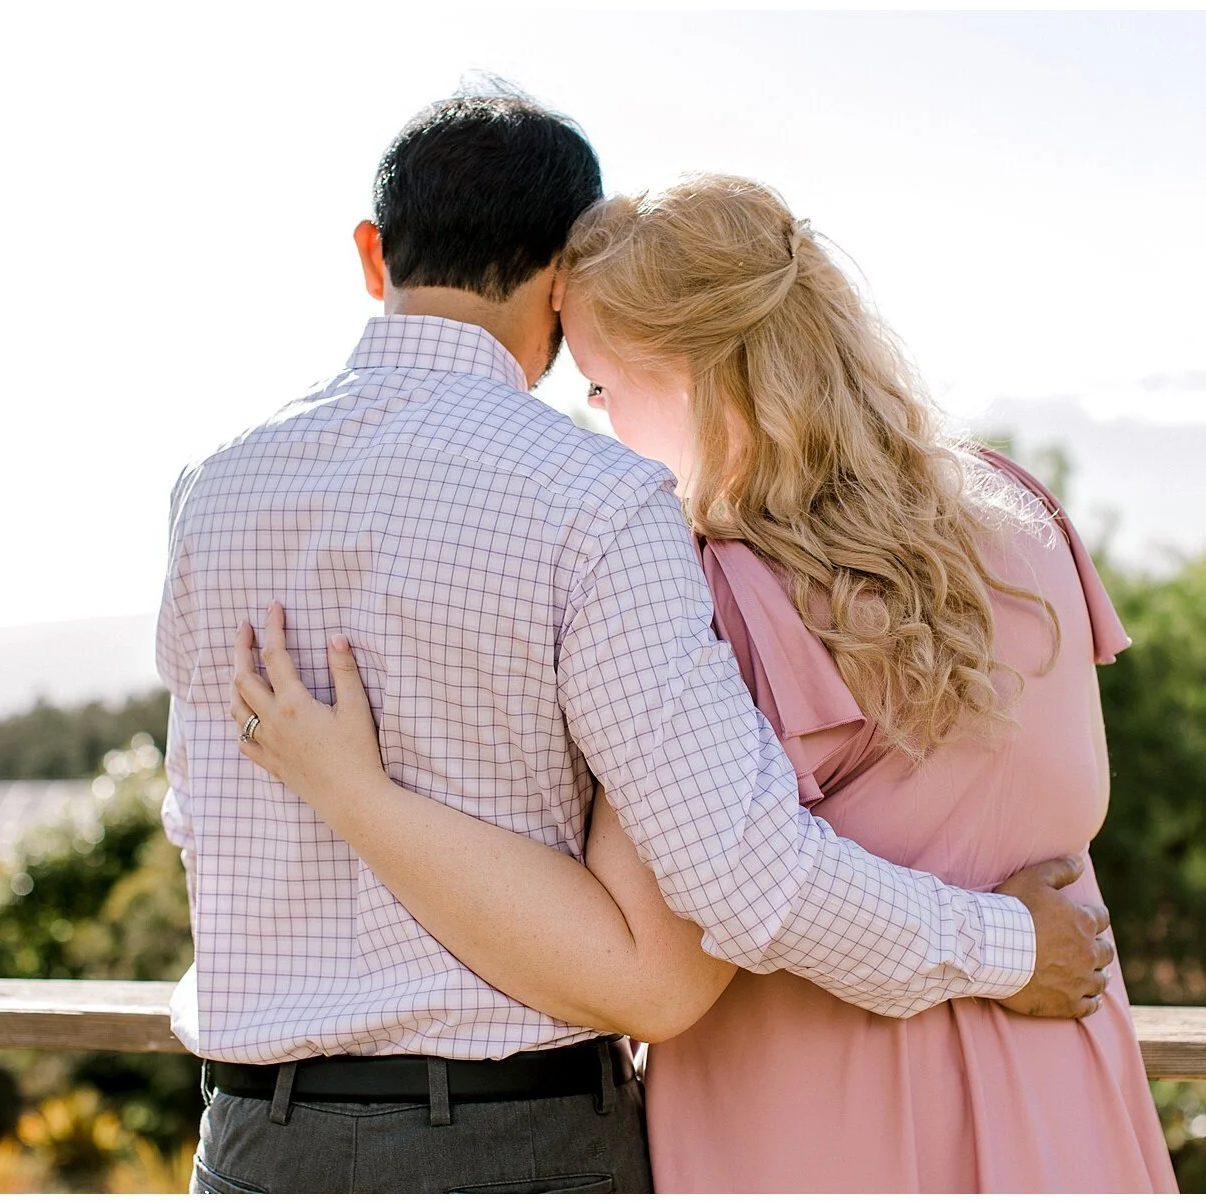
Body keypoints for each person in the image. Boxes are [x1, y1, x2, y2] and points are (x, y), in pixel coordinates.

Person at [159, 90, 1116, 1196]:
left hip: (253, 1142)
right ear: (560, 288)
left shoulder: (212, 489)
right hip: (514, 1141)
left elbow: (200, 810)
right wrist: (1006, 947)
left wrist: (352, 803)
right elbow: (742, 882)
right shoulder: (601, 502)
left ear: (374, 254)